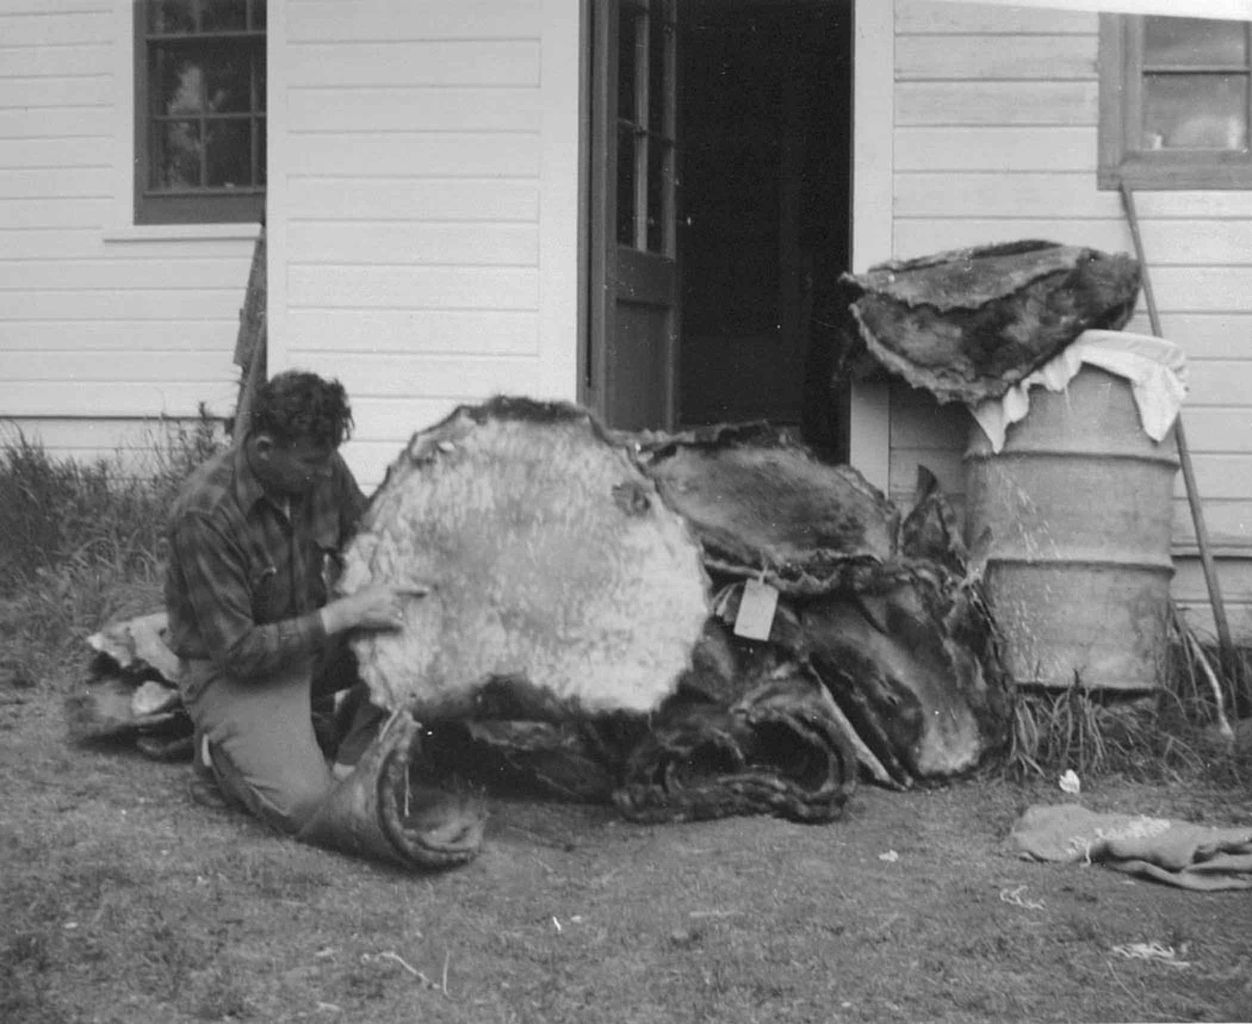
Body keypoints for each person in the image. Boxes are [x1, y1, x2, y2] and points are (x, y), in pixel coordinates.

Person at [164, 370, 421, 834]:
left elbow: (368, 546)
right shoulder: (205, 514)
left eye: (329, 459)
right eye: (310, 462)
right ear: (264, 448)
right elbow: (238, 652)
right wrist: (344, 613)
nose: (325, 473)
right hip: (232, 673)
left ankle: (342, 745)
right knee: (309, 807)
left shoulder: (323, 466)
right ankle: (217, 755)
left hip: (309, 648)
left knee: (414, 627)